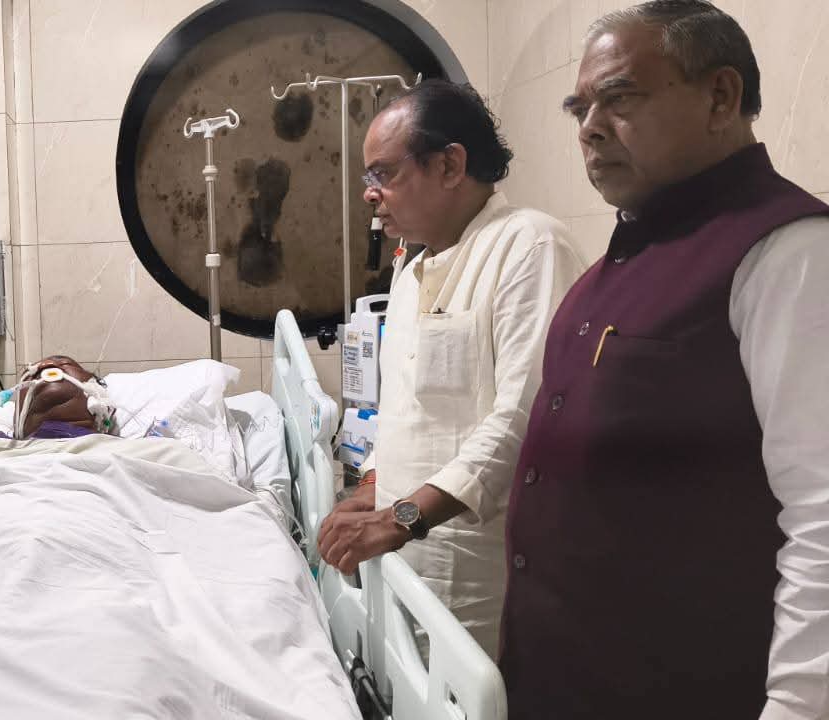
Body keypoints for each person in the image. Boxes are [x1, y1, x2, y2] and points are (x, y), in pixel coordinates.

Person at [501, 3, 829, 718]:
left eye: (619, 98)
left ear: (721, 97)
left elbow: (823, 513)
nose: (589, 128)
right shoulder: (613, 269)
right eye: (579, 108)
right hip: (565, 680)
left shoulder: (789, 253)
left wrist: (799, 704)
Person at [315, 80, 585, 657]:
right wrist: (372, 487)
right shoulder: (411, 270)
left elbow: (524, 420)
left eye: (384, 173)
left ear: (449, 165)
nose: (370, 193)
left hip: (475, 569)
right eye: (368, 177)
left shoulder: (528, 246)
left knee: (471, 684)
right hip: (402, 558)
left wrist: (401, 517)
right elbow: (404, 409)